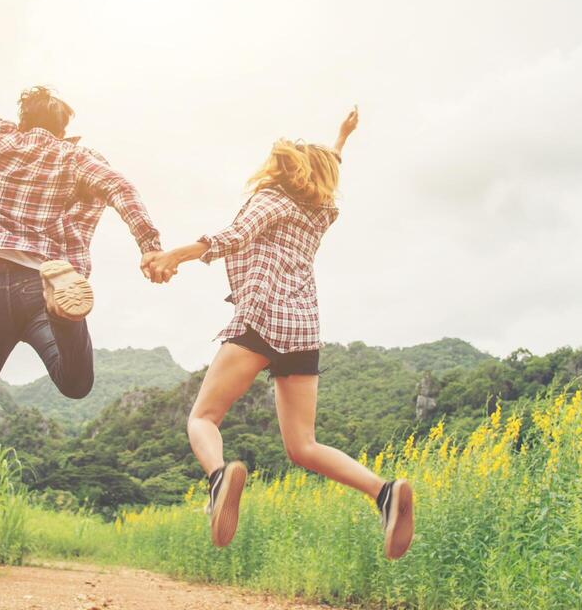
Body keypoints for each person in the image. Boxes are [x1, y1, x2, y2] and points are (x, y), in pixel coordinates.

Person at [0, 0, 165, 524]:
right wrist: (150, 244)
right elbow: (121, 189)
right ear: (64, 126)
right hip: (43, 288)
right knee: (75, 383)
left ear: (23, 118)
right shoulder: (78, 157)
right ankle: (66, 313)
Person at [147, 108, 414, 559]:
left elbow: (234, 236)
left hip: (262, 318)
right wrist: (341, 138)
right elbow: (329, 165)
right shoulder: (323, 212)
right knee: (303, 445)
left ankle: (218, 479)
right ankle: (384, 492)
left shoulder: (272, 199)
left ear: (282, 169)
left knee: (203, 417)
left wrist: (177, 254)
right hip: (304, 329)